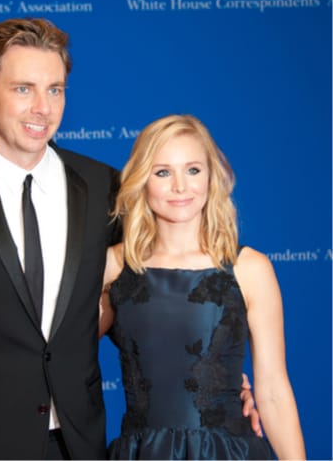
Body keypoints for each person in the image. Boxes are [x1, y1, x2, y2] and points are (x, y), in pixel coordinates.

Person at [0, 18, 259, 460]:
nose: (42, 108)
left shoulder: (106, 189)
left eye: (55, 90)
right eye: (23, 89)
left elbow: (153, 302)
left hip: (77, 446)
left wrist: (218, 380)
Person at [96, 114, 306, 459]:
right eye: (162, 172)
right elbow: (62, 354)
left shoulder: (250, 268)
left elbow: (272, 390)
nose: (181, 186)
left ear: (211, 176)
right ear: (142, 180)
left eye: (193, 170)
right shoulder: (114, 265)